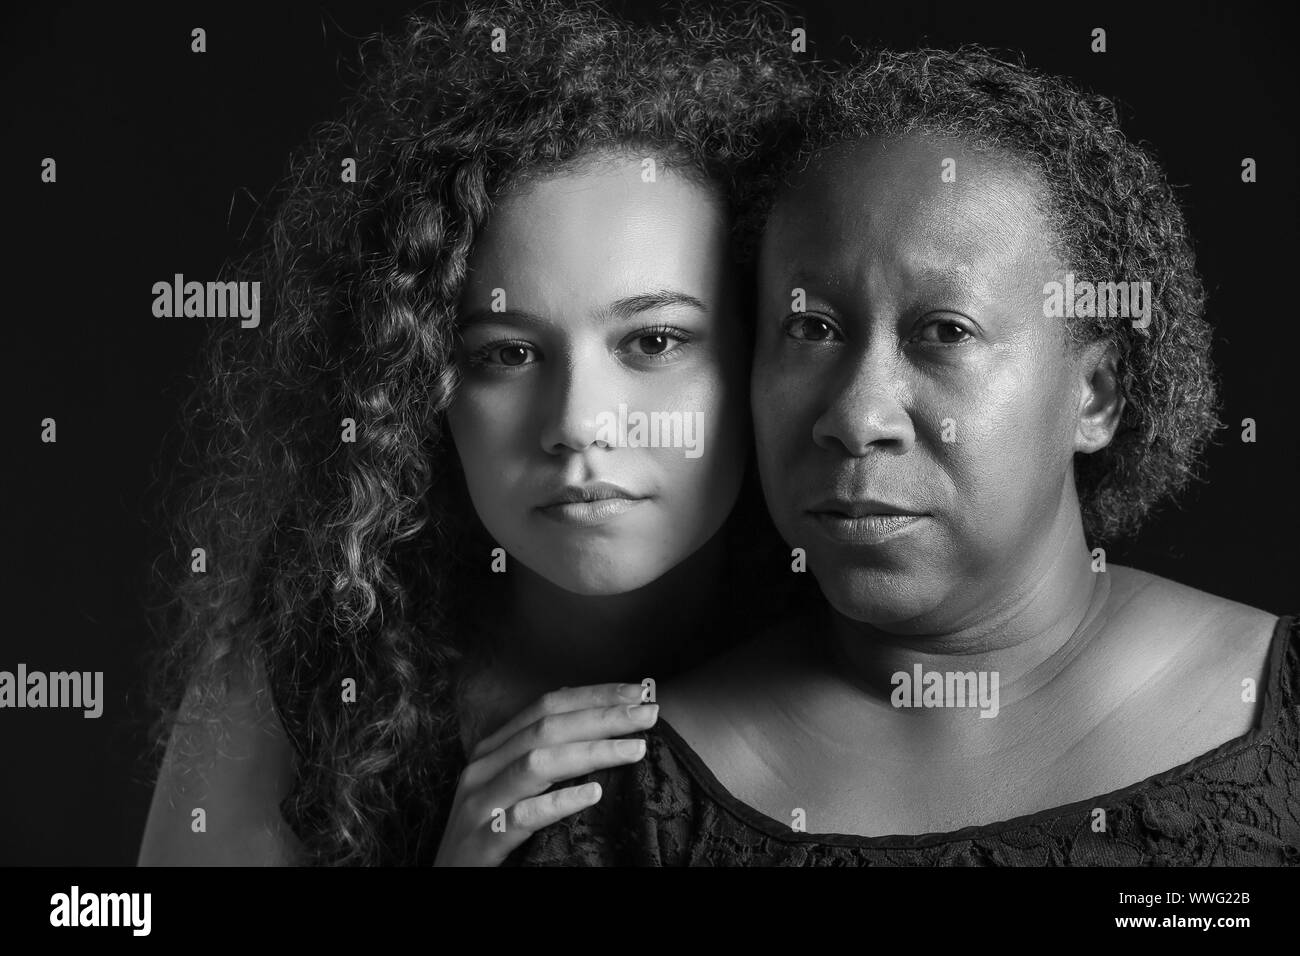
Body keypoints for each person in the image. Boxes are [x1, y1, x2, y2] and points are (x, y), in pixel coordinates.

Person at [509, 45, 1299, 866]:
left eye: (944, 332)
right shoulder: (611, 808)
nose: (856, 415)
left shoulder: (1279, 706)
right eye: (811, 329)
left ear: (1094, 395)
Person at [137, 0, 806, 866]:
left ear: (759, 347)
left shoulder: (867, 631)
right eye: (510, 354)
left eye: (654, 342)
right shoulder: (317, 656)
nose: (578, 426)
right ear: (424, 385)